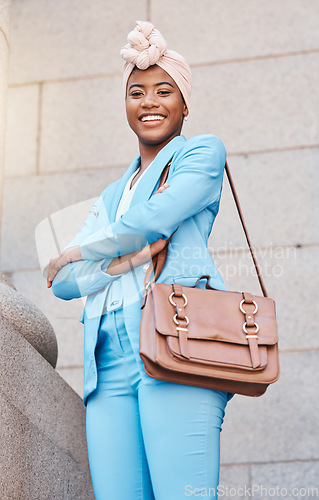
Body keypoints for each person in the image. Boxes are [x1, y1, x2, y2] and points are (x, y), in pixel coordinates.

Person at [47, 20, 233, 500]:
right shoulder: (112, 193)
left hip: (175, 345)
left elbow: (154, 219)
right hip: (107, 362)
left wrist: (83, 250)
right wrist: (123, 261)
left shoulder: (201, 155)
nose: (149, 101)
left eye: (163, 90)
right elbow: (63, 282)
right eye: (136, 92)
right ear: (125, 104)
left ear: (184, 103)